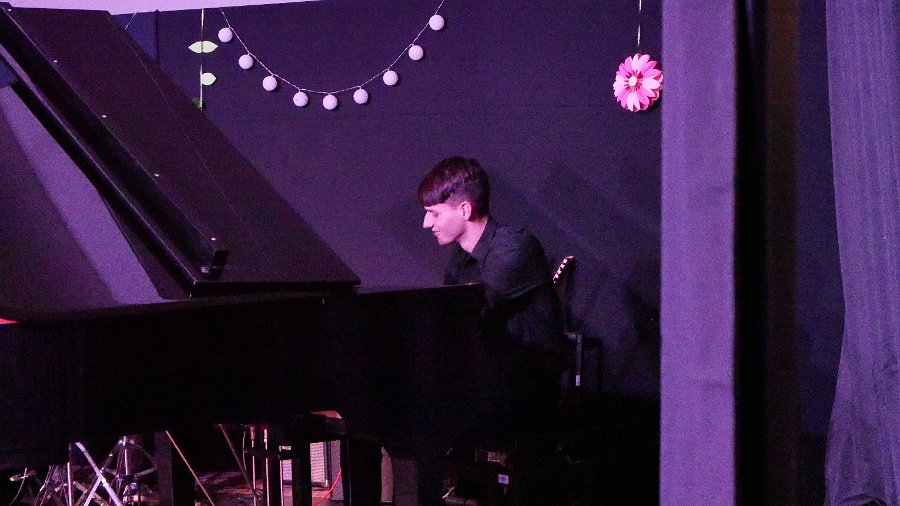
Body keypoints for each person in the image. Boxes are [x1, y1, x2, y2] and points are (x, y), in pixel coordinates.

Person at [418, 156, 568, 502]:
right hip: (490, 385)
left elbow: (474, 319)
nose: (426, 223)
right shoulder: (459, 258)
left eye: (434, 213)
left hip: (529, 392)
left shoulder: (515, 248)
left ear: (465, 209)